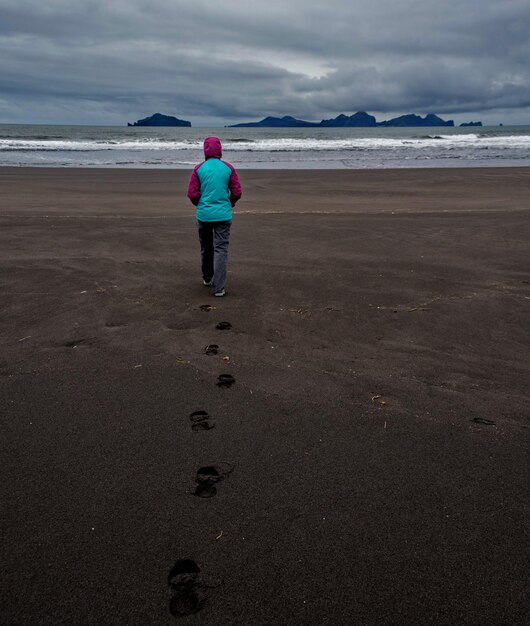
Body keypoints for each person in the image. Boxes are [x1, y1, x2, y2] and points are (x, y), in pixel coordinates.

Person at [187, 136, 242, 297]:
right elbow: (237, 191)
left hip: (204, 215)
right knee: (221, 249)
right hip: (223, 215)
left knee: (206, 247)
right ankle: (219, 288)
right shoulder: (228, 168)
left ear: (205, 149)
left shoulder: (199, 169)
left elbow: (192, 194)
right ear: (220, 150)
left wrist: (200, 204)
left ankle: (207, 278)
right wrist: (230, 203)